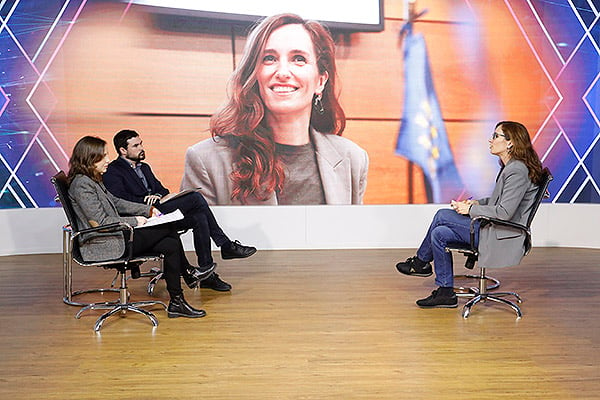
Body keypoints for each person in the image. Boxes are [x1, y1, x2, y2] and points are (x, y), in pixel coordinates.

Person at [181, 13, 369, 205]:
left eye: (298, 59)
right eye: (270, 58)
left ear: (320, 81)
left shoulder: (352, 159)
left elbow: (353, 234)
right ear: (255, 75)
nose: (283, 72)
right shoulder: (206, 161)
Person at [395, 121, 544, 308]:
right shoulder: (511, 167)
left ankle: (421, 262)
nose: (491, 140)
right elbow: (500, 201)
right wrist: (476, 203)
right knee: (439, 233)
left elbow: (504, 213)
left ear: (510, 143)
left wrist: (470, 210)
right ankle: (445, 292)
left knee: (442, 215)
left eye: (496, 136)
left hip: (500, 234)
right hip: (492, 229)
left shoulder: (517, 170)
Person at [67, 136, 215, 318]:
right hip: (101, 243)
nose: (108, 160)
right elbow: (101, 222)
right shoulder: (82, 184)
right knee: (168, 230)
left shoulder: (93, 179)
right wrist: (135, 221)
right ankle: (188, 275)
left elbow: (116, 202)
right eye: (103, 156)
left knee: (170, 243)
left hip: (114, 237)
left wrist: (148, 210)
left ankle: (177, 301)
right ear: (89, 158)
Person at [103, 129, 257, 292]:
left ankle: (207, 275)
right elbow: (119, 201)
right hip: (142, 218)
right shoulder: (113, 171)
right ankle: (225, 244)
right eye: (136, 145)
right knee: (195, 198)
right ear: (123, 150)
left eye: (141, 143)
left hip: (159, 212)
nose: (141, 147)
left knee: (199, 218)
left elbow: (162, 189)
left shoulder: (145, 168)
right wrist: (144, 202)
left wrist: (156, 195)